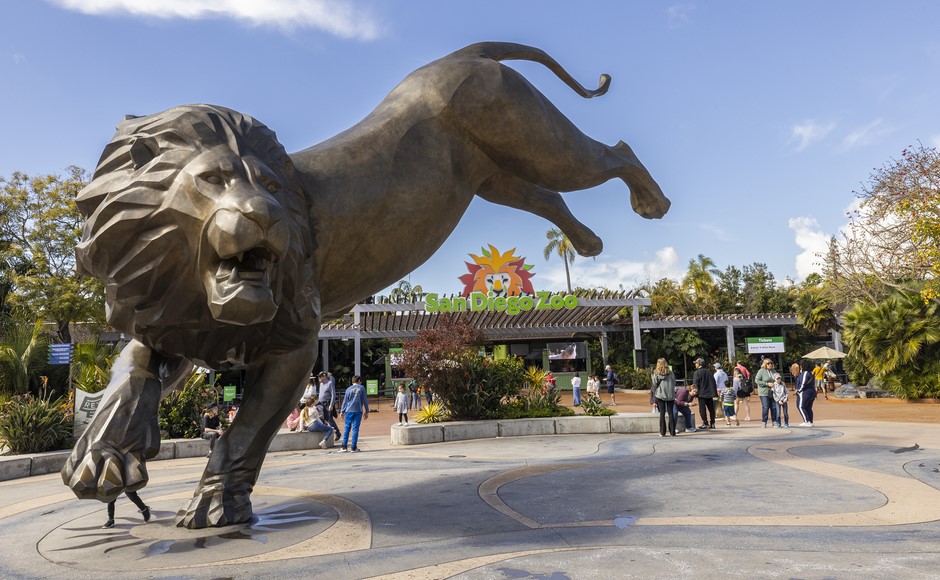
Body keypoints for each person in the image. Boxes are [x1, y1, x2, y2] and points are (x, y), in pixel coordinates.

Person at [339, 375, 369, 453]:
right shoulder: (362, 388)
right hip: (358, 410)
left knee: (347, 428)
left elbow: (345, 401)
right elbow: (365, 400)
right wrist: (367, 411)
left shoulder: (348, 389)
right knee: (355, 429)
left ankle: (344, 446)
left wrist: (342, 411)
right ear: (359, 381)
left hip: (348, 410)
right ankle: (353, 447)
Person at [650, 358, 676, 437]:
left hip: (660, 395)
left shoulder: (656, 373)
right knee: (671, 413)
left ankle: (662, 432)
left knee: (662, 413)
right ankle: (672, 432)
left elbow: (654, 384)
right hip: (670, 395)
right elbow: (674, 382)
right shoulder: (670, 373)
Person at [691, 358, 717, 429]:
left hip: (701, 394)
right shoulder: (709, 372)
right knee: (711, 409)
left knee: (702, 409)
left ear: (699, 364)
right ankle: (712, 423)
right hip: (709, 393)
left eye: (696, 363)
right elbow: (713, 382)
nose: (695, 364)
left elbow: (695, 384)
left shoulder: (697, 373)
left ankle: (705, 423)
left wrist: (695, 393)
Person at [316, 371, 342, 441]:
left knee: (329, 419)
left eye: (320, 376)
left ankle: (337, 433)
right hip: (321, 404)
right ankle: (326, 434)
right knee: (321, 418)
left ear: (324, 376)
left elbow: (333, 394)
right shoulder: (321, 384)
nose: (319, 378)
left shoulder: (330, 383)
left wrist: (331, 404)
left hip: (327, 404)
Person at [754, 358, 779, 428]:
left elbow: (778, 378)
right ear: (765, 364)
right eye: (768, 363)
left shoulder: (774, 371)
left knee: (774, 407)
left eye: (771, 363)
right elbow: (757, 380)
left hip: (773, 391)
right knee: (766, 407)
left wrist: (778, 382)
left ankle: (774, 421)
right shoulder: (761, 371)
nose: (770, 364)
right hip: (764, 392)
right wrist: (766, 384)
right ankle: (764, 422)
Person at [795, 360, 817, 426]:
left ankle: (806, 421)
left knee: (800, 406)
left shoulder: (805, 373)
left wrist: (799, 390)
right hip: (811, 392)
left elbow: (803, 383)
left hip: (805, 392)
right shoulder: (810, 373)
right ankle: (810, 421)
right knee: (808, 407)